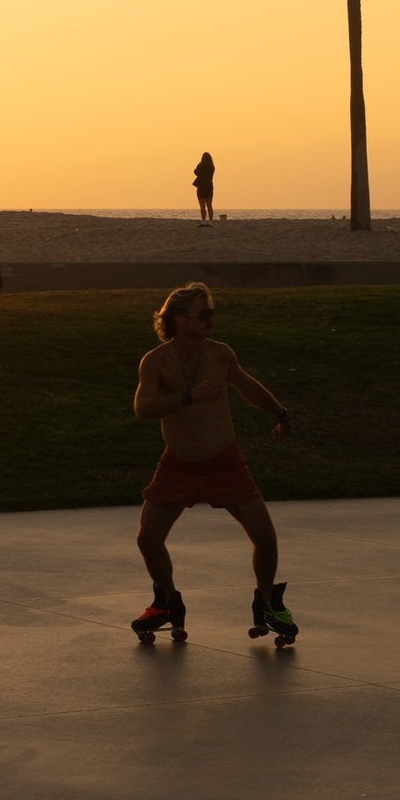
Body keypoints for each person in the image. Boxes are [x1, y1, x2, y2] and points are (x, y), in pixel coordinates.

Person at [126, 283, 297, 648]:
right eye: (203, 314)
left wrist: (281, 413)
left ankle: (267, 603)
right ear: (179, 319)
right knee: (149, 539)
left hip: (225, 463)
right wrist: (189, 396)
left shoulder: (220, 354)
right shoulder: (155, 361)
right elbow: (142, 408)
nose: (210, 320)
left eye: (212, 313)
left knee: (264, 537)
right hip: (178, 465)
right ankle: (166, 601)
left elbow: (247, 386)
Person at [193, 152, 216, 226]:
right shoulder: (212, 167)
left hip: (201, 187)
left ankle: (203, 221)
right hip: (209, 187)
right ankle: (211, 222)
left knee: (202, 206)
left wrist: (199, 165)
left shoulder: (201, 165)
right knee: (209, 205)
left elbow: (196, 172)